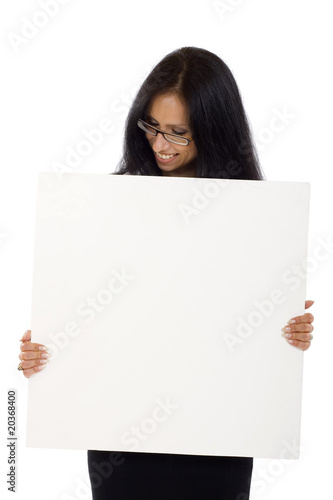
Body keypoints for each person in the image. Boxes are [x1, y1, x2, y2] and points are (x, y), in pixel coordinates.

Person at [18, 47, 315, 499]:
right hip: (121, 436)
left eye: (178, 133)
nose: (160, 145)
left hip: (220, 434)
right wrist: (47, 352)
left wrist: (289, 333)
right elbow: (89, 312)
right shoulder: (107, 205)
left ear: (213, 131)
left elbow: (242, 333)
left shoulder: (254, 219)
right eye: (153, 127)